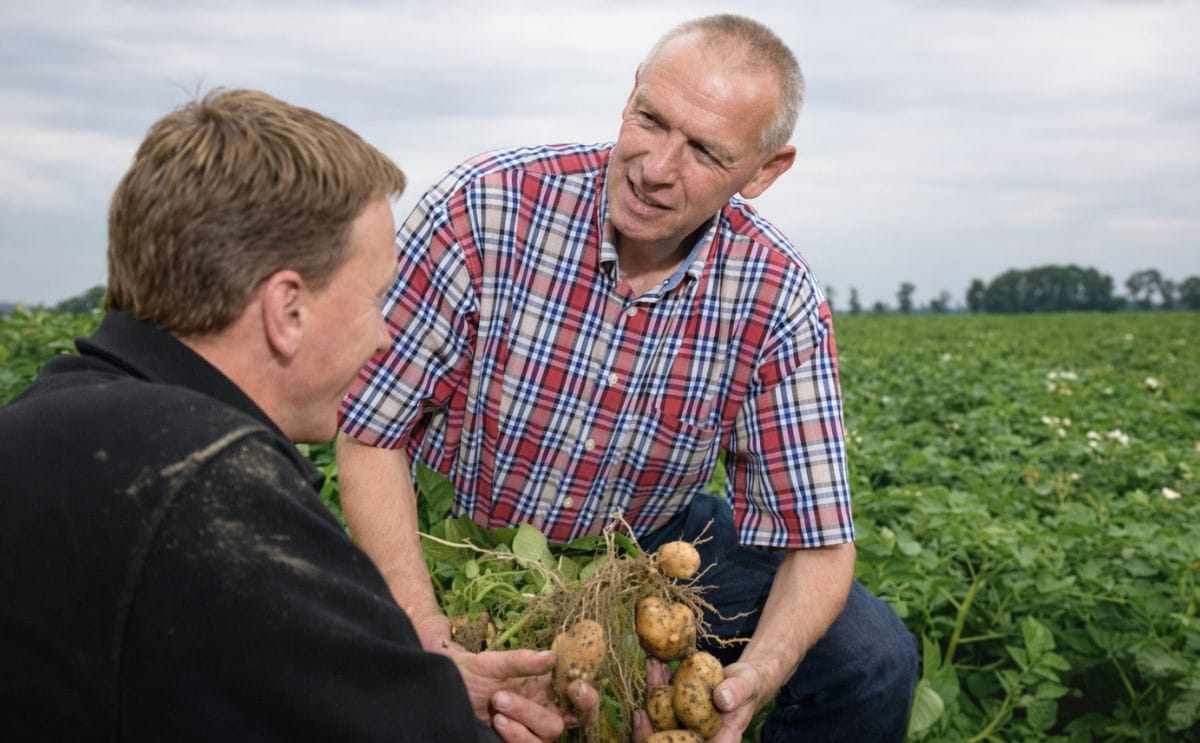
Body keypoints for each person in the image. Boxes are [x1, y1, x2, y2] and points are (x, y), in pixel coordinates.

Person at [338, 14, 918, 742]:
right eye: (651, 119)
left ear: (763, 171)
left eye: (704, 151)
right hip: (462, 530)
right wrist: (427, 635)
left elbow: (819, 540)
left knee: (873, 662)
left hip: (648, 539)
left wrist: (755, 677)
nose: (655, 167)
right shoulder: (485, 206)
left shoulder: (775, 293)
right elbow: (370, 432)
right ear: (631, 94)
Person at [0, 89, 595, 742]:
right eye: (374, 298)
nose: (384, 338)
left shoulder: (47, 419)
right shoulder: (212, 484)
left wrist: (427, 687)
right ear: (287, 311)